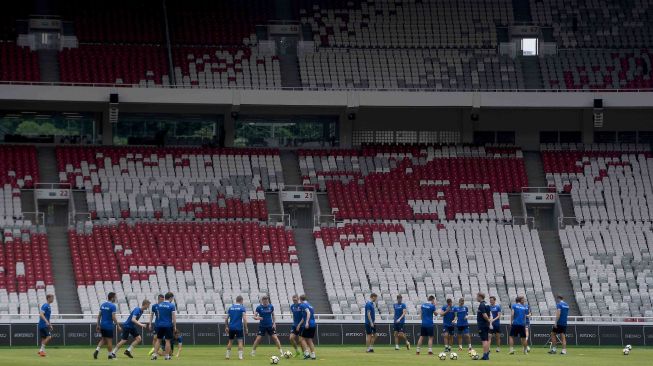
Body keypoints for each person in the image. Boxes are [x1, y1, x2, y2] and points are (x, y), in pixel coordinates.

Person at [94, 292, 121, 360]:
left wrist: (98, 325)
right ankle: (110, 356)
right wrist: (118, 325)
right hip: (108, 326)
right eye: (115, 297)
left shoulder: (103, 305)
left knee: (103, 339)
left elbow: (99, 316)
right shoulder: (113, 306)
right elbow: (113, 317)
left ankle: (97, 350)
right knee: (109, 341)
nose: (115, 298)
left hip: (102, 325)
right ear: (112, 298)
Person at [151, 292, 177, 360]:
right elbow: (173, 317)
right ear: (171, 298)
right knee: (167, 341)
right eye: (172, 298)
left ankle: (154, 355)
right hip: (168, 325)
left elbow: (158, 315)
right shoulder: (171, 306)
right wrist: (175, 326)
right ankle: (167, 356)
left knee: (158, 340)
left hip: (159, 325)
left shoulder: (159, 305)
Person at [225, 295, 248, 360]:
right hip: (239, 328)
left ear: (236, 300)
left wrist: (226, 326)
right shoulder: (242, 308)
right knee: (240, 342)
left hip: (231, 327)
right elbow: (244, 319)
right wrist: (246, 327)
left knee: (230, 342)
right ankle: (240, 357)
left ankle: (227, 356)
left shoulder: (231, 308)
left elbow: (226, 318)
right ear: (241, 300)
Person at [298, 294, 317, 360]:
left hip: (308, 324)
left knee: (301, 339)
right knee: (309, 340)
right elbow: (304, 316)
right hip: (313, 324)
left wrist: (306, 322)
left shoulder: (302, 305)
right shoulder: (310, 305)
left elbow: (308, 313)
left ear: (300, 299)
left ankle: (306, 354)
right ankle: (313, 355)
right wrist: (299, 324)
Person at [476, 292, 492, 361]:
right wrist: (489, 322)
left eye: (477, 296)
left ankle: (485, 356)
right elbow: (490, 314)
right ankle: (486, 355)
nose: (476, 298)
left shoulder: (481, 305)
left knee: (484, 340)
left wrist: (488, 320)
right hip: (486, 325)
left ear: (480, 296)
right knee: (487, 340)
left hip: (482, 325)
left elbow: (485, 315)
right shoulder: (487, 304)